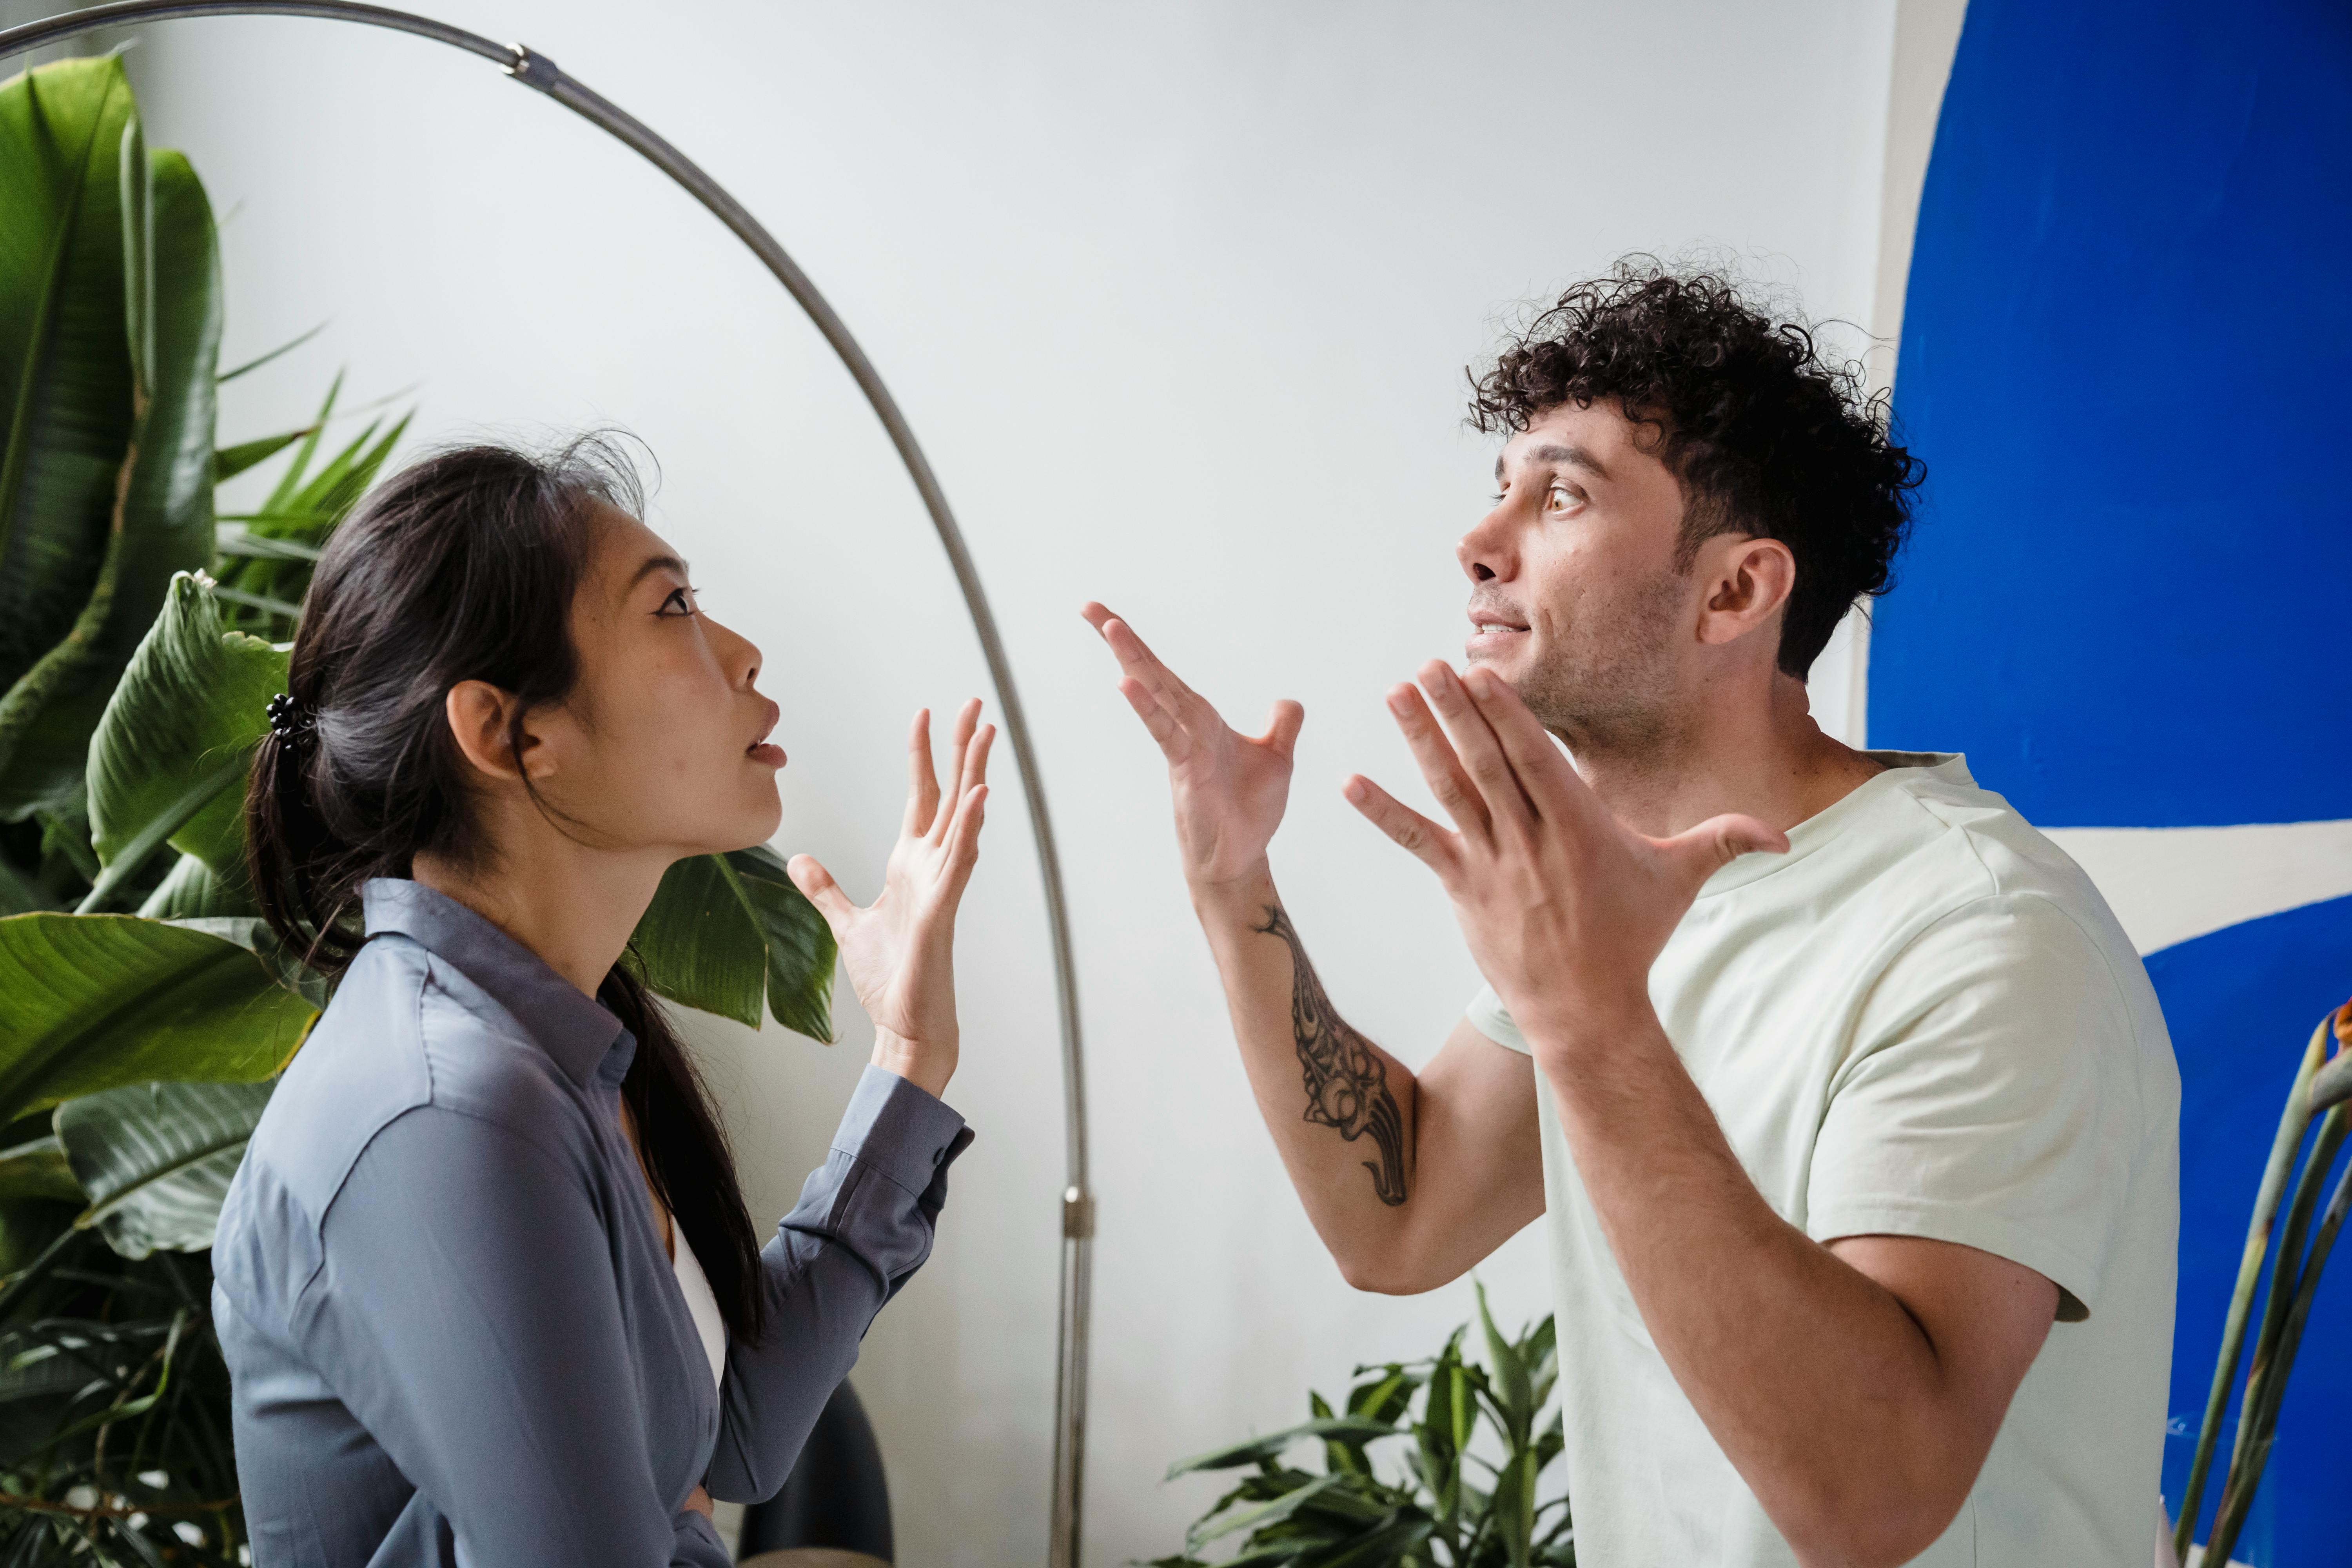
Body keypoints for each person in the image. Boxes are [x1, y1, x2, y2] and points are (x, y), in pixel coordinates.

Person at [1087, 261, 2180, 1566]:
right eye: (1500, 491)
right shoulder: (1617, 898)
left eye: (1560, 495)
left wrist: (1590, 1019)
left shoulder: (1980, 934)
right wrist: (1232, 882)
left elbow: (1880, 1496)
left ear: (1736, 591)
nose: (1478, 544)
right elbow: (1402, 1213)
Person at [213, 436, 993, 1567]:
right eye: (671, 607)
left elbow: (735, 1438)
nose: (740, 650)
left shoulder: (549, 1051)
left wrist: (908, 1054)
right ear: (510, 732)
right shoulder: (449, 1112)